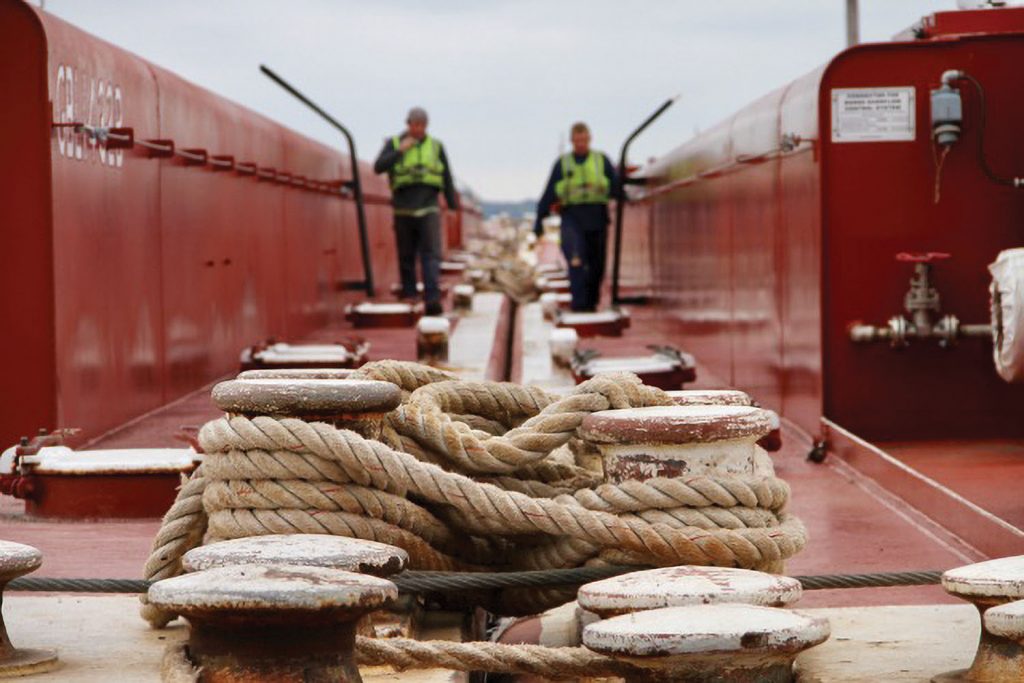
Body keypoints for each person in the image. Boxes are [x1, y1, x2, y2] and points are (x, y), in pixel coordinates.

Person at [374, 107, 458, 316]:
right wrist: (400, 151)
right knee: (406, 255)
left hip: (428, 207)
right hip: (403, 208)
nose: (418, 129)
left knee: (430, 255)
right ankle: (410, 294)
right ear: (408, 124)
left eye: (422, 125)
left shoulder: (436, 146)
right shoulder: (393, 144)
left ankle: (432, 299)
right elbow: (379, 167)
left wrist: (452, 206)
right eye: (415, 124)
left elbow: (447, 177)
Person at [534, 122, 620, 312]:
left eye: (584, 140)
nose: (581, 144)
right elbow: (548, 193)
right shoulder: (563, 164)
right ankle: (580, 304)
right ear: (572, 141)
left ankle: (592, 301)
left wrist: (625, 195)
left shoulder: (601, 161)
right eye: (577, 140)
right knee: (576, 259)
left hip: (597, 215)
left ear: (589, 139)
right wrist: (539, 222)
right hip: (572, 217)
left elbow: (616, 186)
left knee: (597, 264)